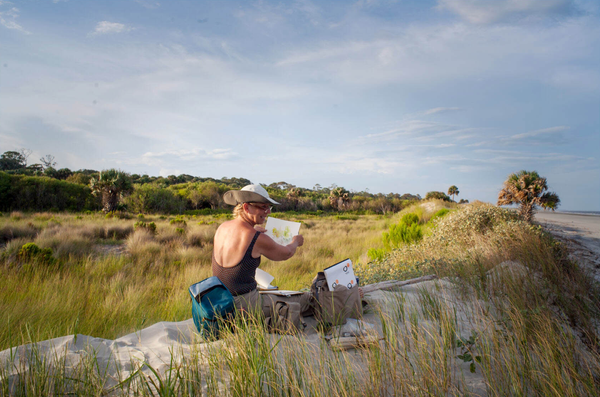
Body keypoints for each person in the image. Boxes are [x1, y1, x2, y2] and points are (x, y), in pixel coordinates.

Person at [212, 184, 306, 315]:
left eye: (268, 207)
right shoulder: (255, 237)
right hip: (243, 303)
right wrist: (295, 242)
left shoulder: (222, 227)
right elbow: (286, 253)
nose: (268, 212)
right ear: (246, 207)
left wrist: (253, 230)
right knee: (302, 300)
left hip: (219, 299)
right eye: (263, 207)